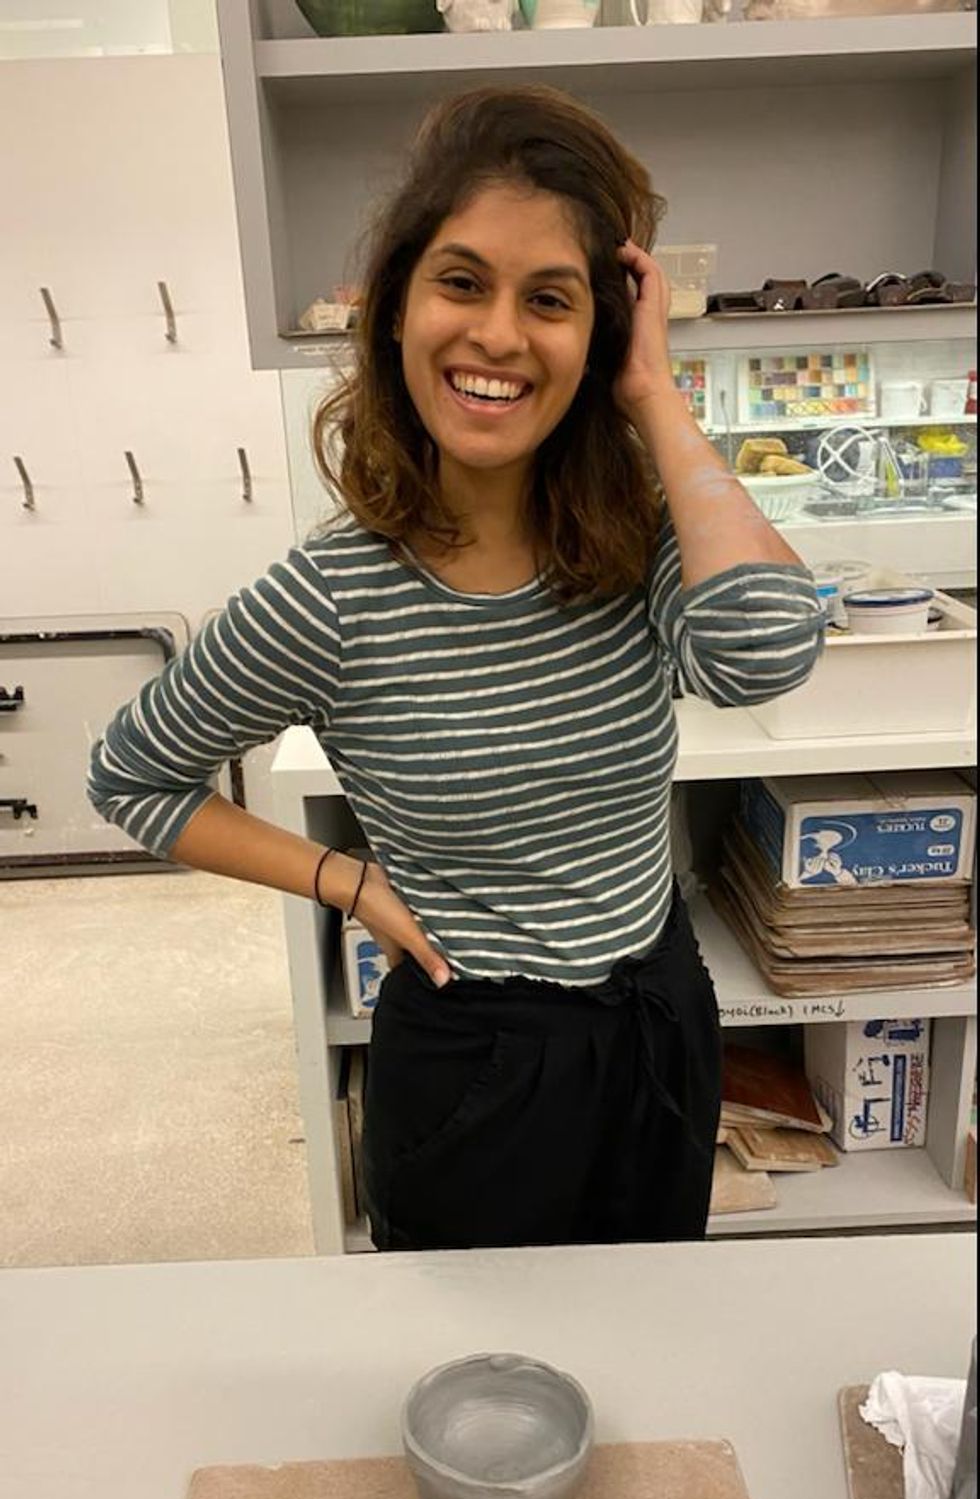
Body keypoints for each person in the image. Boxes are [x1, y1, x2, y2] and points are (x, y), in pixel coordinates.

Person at [88, 86, 823, 1253]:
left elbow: (761, 650)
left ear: (600, 338)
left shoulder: (634, 537)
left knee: (646, 1351)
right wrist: (347, 882)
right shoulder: (328, 595)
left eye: (550, 300)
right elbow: (131, 777)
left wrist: (656, 395)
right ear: (394, 309)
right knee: (477, 1390)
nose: (496, 336)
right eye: (461, 281)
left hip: (655, 1011)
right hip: (477, 1054)